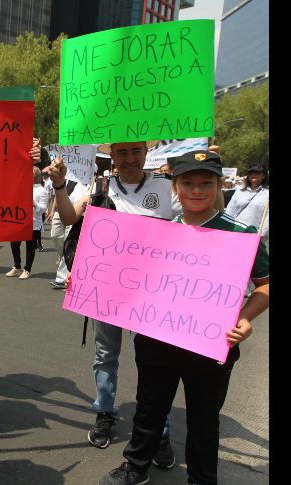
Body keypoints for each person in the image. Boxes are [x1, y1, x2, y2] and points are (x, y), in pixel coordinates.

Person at [99, 150, 269, 485]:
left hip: (211, 341)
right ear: (175, 187)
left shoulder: (241, 233)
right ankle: (136, 467)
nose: (196, 190)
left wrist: (246, 318)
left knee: (204, 419)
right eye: (187, 182)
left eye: (206, 182)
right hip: (156, 340)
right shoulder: (157, 232)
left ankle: (202, 478)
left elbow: (265, 285)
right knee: (149, 408)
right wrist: (90, 280)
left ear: (219, 185)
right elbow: (126, 277)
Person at [47, 141, 179, 467]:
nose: (130, 159)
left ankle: (158, 430)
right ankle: (105, 411)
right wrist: (60, 184)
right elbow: (66, 216)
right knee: (106, 355)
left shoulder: (167, 187)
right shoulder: (98, 186)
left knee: (154, 363)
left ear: (146, 153)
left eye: (136, 151)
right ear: (113, 157)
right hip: (105, 290)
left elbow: (208, 213)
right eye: (122, 153)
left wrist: (212, 163)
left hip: (151, 293)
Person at [5, 166, 49, 280]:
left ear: (34, 177)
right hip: (20, 220)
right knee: (14, 243)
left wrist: (34, 203)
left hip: (33, 222)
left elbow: (43, 209)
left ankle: (27, 269)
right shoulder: (23, 187)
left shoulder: (42, 191)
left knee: (30, 247)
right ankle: (17, 266)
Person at [225, 164, 269, 244]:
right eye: (251, 172)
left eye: (257, 172)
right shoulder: (239, 192)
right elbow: (230, 210)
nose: (253, 174)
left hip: (255, 235)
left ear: (264, 176)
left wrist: (261, 235)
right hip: (235, 232)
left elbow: (268, 217)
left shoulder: (267, 194)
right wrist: (227, 228)